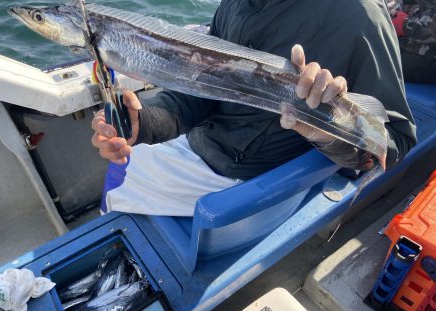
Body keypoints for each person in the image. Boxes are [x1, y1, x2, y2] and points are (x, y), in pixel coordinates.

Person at [91, 0, 417, 216]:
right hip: (203, 143)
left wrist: (325, 127)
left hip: (242, 179)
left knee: (120, 185)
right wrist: (144, 122)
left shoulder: (359, 18)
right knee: (122, 163)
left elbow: (393, 143)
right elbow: (202, 89)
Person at [388, 0, 436, 83]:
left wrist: (406, 24)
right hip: (406, 51)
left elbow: (430, 27)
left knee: (378, 63)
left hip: (428, 62)